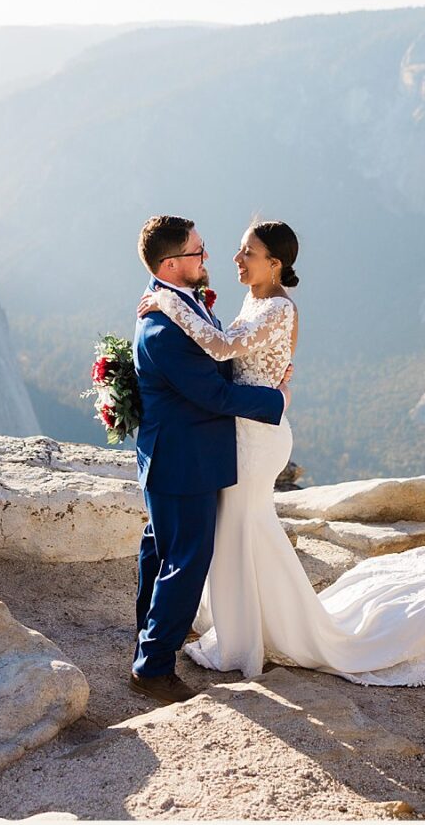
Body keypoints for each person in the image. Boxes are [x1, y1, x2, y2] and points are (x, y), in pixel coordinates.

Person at [137, 219, 425, 686]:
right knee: (234, 533)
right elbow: (227, 364)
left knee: (246, 528)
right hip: (237, 432)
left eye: (246, 253)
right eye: (227, 250)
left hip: (256, 436)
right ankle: (238, 630)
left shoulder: (275, 309)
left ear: (274, 264)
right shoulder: (254, 298)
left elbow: (223, 348)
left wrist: (169, 302)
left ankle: (266, 634)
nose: (231, 259)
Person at [129, 215, 289, 705]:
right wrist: (274, 401)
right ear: (172, 264)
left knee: (160, 547)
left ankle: (151, 638)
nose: (209, 259)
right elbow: (214, 395)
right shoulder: (163, 327)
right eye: (199, 253)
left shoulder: (174, 305)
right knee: (187, 557)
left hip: (175, 455)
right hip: (184, 460)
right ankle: (153, 667)